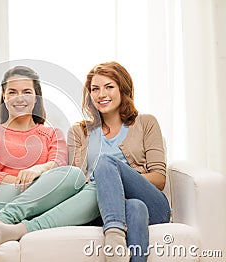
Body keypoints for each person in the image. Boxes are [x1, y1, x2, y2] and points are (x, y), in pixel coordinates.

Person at [0, 66, 100, 252]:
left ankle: (17, 230)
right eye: (12, 92)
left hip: (43, 201)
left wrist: (37, 171)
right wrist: (34, 184)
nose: (19, 97)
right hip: (2, 199)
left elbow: (59, 166)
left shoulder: (52, 134)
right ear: (4, 97)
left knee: (91, 187)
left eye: (26, 91)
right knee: (69, 178)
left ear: (36, 96)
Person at [68, 61, 171, 261]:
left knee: (105, 163)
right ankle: (115, 240)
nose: (101, 94)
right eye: (95, 89)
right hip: (100, 208)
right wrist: (110, 195)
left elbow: (159, 178)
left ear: (123, 89)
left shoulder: (146, 123)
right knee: (134, 208)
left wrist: (115, 186)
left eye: (109, 87)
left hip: (153, 205)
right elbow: (75, 181)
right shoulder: (78, 131)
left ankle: (114, 231)